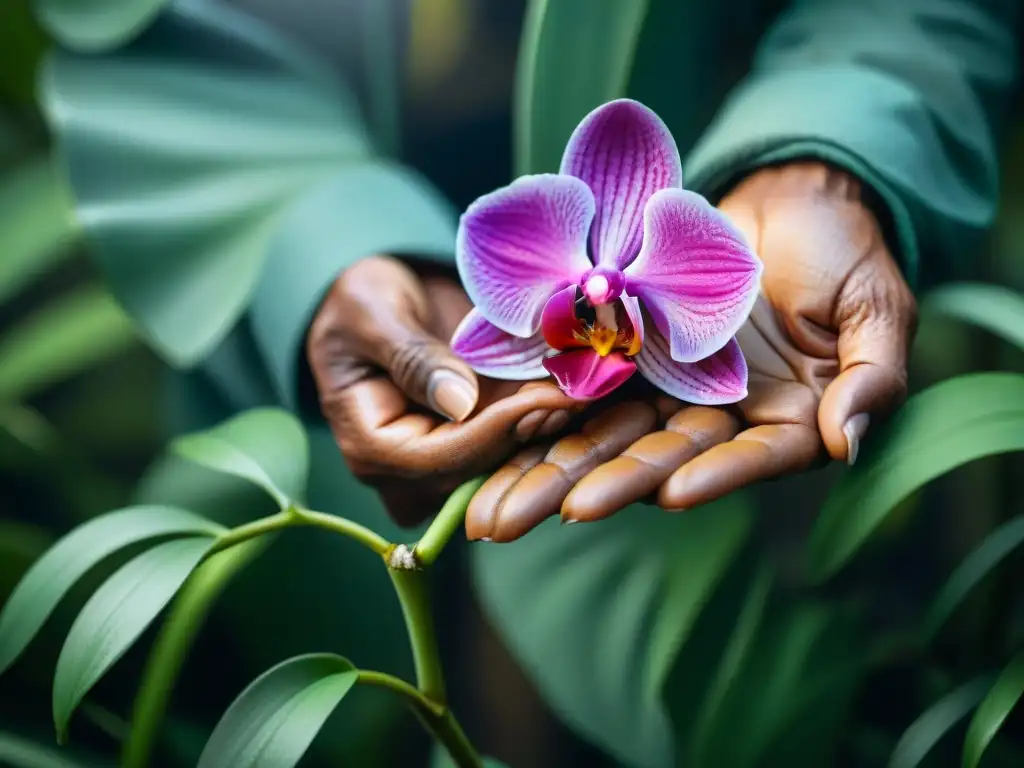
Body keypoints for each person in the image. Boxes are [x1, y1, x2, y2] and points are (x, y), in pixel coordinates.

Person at [47, 0, 1017, 544]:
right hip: (340, 349)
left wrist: (826, 149)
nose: (597, 317)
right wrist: (313, 232)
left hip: (750, 528)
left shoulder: (681, 319)